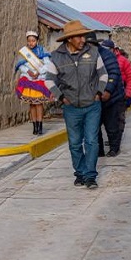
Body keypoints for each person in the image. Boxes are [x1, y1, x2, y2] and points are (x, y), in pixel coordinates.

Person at [49, 20, 108, 189]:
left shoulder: (94, 52)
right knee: (75, 143)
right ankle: (80, 173)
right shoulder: (56, 57)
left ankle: (90, 176)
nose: (83, 39)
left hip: (92, 106)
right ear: (69, 39)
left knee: (91, 141)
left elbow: (103, 75)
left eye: (83, 36)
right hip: (71, 107)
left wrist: (98, 93)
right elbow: (49, 81)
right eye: (79, 37)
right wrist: (61, 98)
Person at [85, 33, 123, 158]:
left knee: (111, 125)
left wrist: (108, 90)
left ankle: (114, 148)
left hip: (111, 98)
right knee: (94, 127)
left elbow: (113, 73)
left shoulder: (107, 55)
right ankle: (99, 150)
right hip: (93, 98)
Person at [14, 31, 57, 135]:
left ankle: (40, 125)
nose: (31, 43)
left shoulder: (42, 51)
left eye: (33, 41)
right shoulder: (24, 52)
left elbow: (48, 64)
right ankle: (34, 126)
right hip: (28, 79)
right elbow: (20, 65)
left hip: (39, 78)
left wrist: (39, 72)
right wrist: (28, 71)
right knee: (32, 104)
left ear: (37, 41)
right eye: (29, 41)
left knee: (38, 103)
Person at [104, 40, 131, 157]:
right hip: (105, 96)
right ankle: (112, 142)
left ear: (114, 49)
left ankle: (115, 146)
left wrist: (127, 93)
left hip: (120, 96)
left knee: (118, 121)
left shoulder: (123, 61)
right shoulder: (101, 60)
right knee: (108, 122)